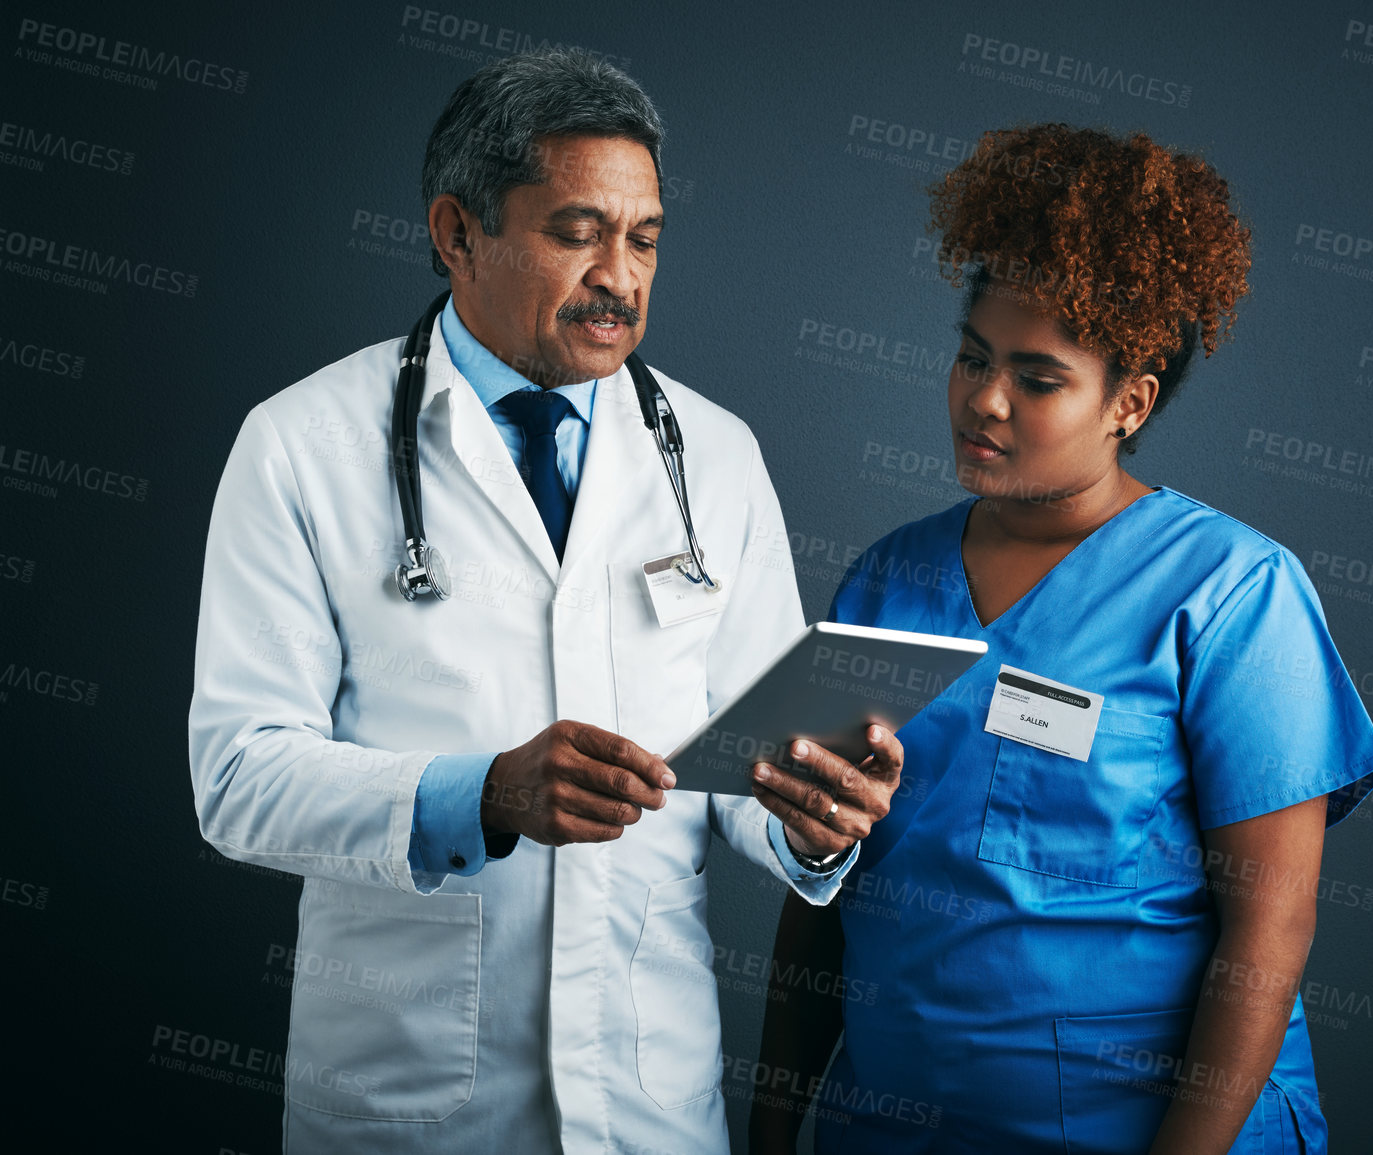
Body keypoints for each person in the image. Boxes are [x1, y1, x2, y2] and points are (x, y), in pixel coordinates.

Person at [187, 50, 901, 1154]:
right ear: (457, 231)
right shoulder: (300, 447)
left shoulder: (709, 454)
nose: (621, 276)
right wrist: (479, 798)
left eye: (646, 238)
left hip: (649, 1110)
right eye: (578, 233)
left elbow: (748, 765)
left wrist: (811, 820)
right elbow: (238, 779)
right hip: (412, 1110)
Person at [749, 124, 1373, 1154]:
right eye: (970, 358)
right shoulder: (887, 578)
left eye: (1038, 380)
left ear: (1128, 403)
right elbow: (822, 888)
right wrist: (772, 1126)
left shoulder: (1233, 594)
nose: (984, 401)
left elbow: (1269, 931)